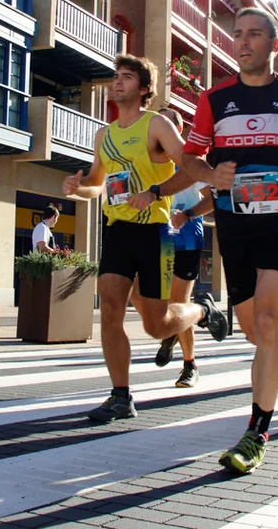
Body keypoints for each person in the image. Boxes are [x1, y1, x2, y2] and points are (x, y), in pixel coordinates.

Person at [179, 6, 278, 474]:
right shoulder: (214, 99)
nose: (243, 42)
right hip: (235, 221)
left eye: (254, 34)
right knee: (255, 329)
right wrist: (211, 175)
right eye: (238, 34)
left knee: (264, 322)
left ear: (274, 45)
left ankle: (257, 432)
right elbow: (189, 159)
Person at [62, 55, 227, 424]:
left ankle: (202, 310)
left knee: (157, 325)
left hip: (155, 232)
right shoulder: (104, 135)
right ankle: (120, 396)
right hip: (117, 230)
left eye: (126, 77)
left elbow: (191, 167)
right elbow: (96, 184)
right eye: (116, 76)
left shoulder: (156, 125)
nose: (117, 82)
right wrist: (77, 188)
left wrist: (154, 193)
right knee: (110, 311)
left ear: (144, 89)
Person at [153, 107, 215, 389]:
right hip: (157, 239)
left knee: (178, 304)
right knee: (154, 304)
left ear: (177, 129)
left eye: (166, 122)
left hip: (187, 238)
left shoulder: (190, 161)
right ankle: (171, 332)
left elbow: (212, 199)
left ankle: (190, 366)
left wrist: (187, 214)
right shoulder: (148, 161)